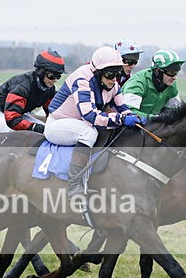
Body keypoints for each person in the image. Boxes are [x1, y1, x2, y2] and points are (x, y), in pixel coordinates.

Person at [45, 46, 140, 200]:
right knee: (89, 133)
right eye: (109, 74)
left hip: (79, 123)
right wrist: (121, 120)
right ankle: (74, 183)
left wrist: (135, 118)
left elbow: (123, 109)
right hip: (58, 124)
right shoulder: (82, 79)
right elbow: (89, 115)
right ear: (98, 72)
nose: (113, 79)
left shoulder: (113, 85)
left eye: (117, 74)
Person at [0, 50, 66, 133]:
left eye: (58, 76)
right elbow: (12, 120)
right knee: (15, 134)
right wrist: (34, 127)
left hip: (17, 114)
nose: (55, 80)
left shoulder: (50, 89)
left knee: (46, 132)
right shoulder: (22, 87)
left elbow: (51, 114)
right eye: (51, 75)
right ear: (41, 71)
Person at [121, 48, 185, 119]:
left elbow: (175, 111)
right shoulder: (137, 83)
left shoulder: (171, 84)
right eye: (171, 72)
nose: (175, 78)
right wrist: (157, 119)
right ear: (157, 71)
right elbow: (129, 113)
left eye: (176, 73)